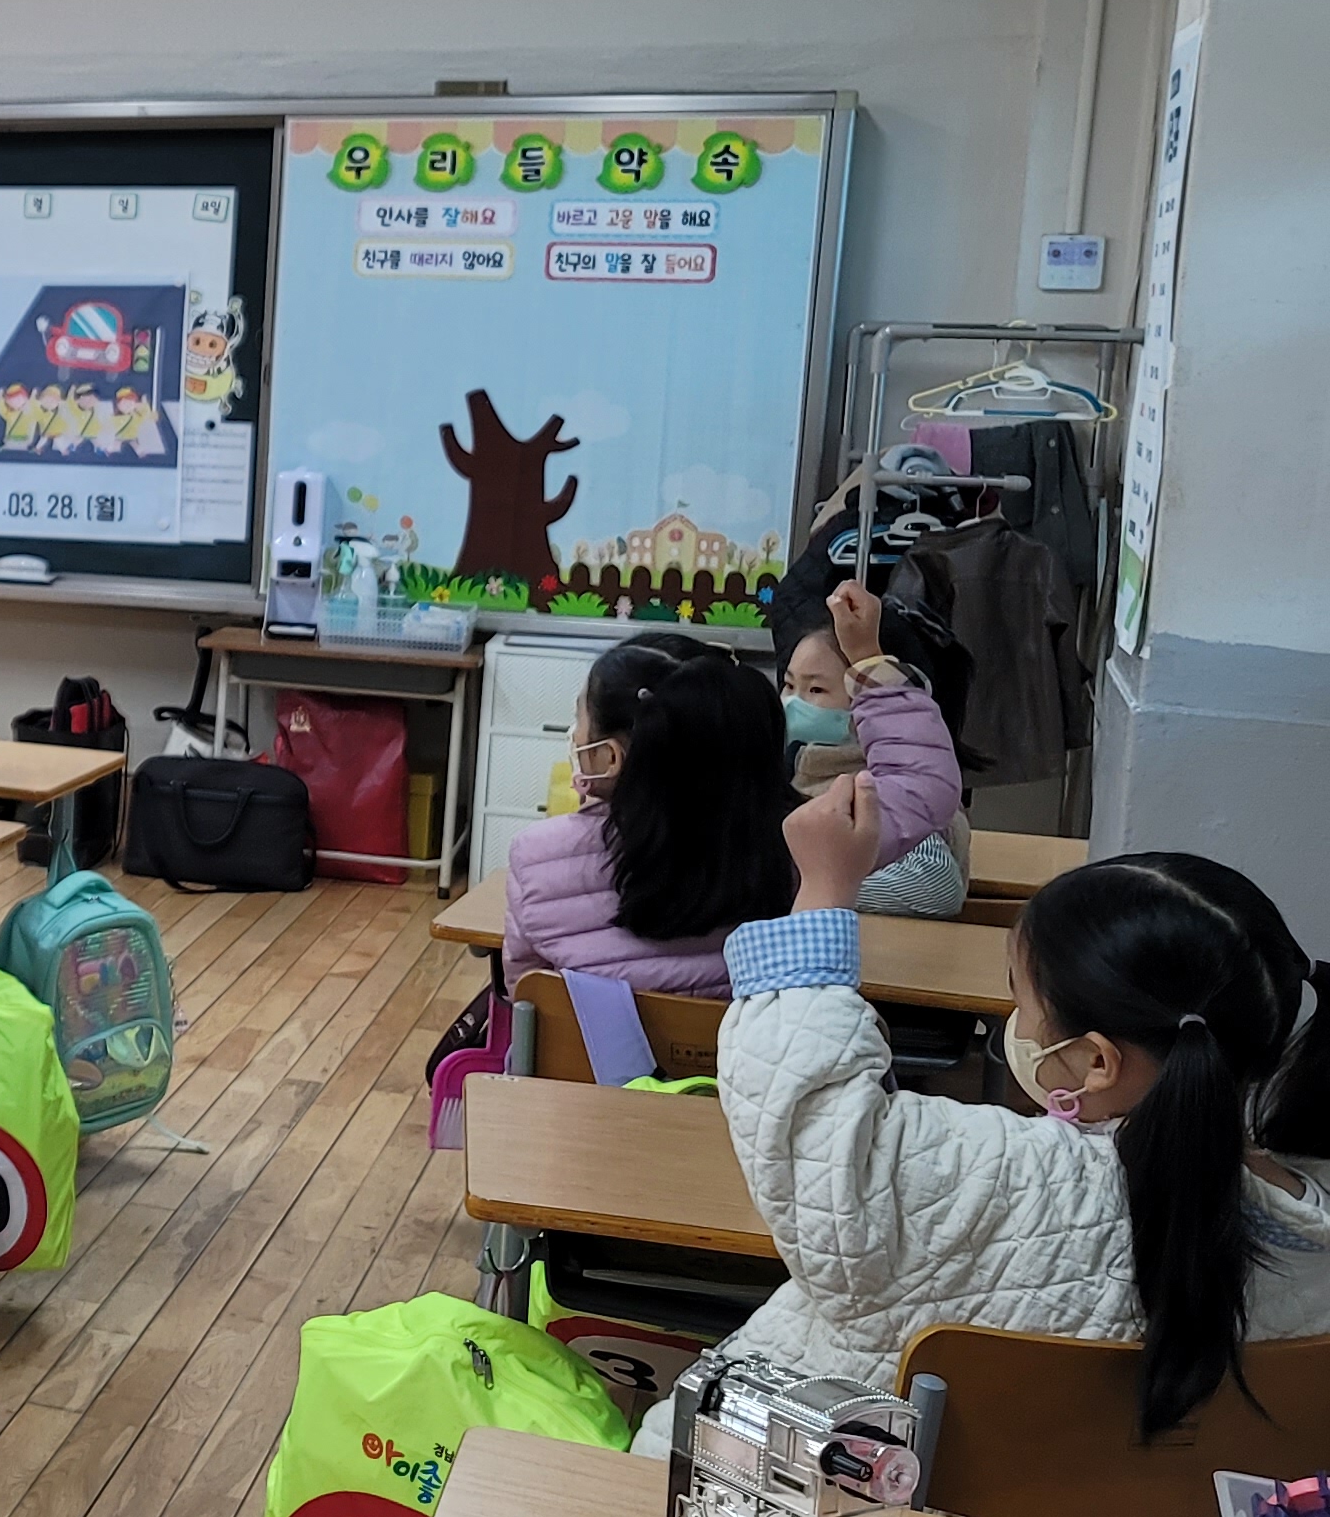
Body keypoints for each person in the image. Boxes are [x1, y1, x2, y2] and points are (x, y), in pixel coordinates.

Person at [654, 779, 1330, 1456]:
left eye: (1023, 1000)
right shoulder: (1312, 1238)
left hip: (826, 1495)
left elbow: (813, 1124)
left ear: (1096, 1063)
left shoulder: (999, 1176)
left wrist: (823, 892)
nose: (1015, 1023)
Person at [501, 584, 958, 996]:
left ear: (607, 757)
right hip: (752, 1062)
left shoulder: (536, 860)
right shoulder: (802, 843)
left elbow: (529, 992)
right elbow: (923, 786)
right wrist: (867, 658)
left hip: (594, 1063)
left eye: (580, 720)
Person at [765, 579, 976, 918]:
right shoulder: (799, 772)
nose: (792, 702)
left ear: (866, 702)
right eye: (789, 684)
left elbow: (933, 887)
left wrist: (814, 881)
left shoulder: (876, 791)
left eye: (816, 690)